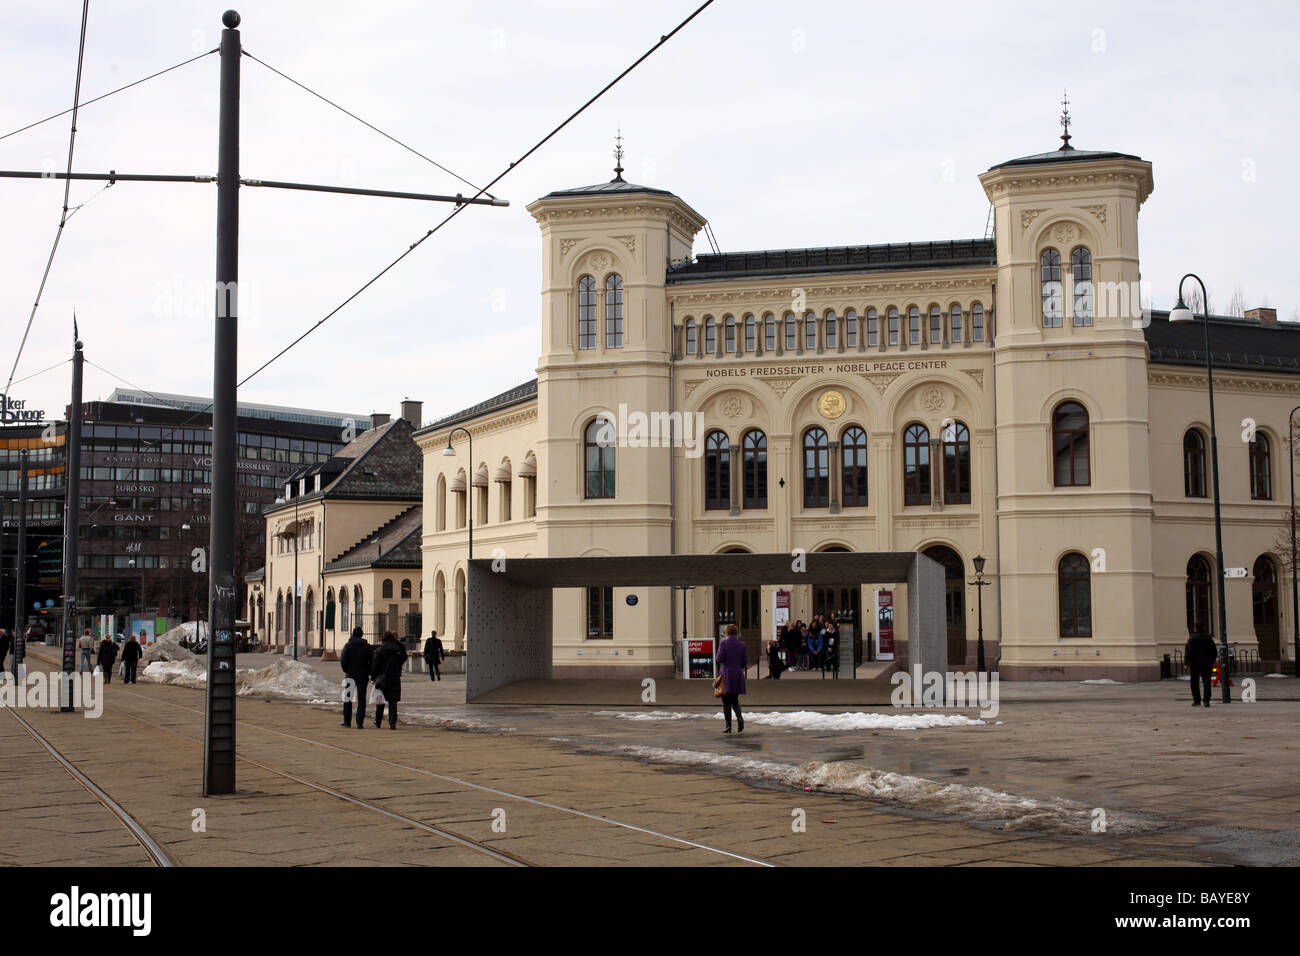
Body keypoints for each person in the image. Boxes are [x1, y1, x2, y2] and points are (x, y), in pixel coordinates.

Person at [370, 631, 408, 729]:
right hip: (394, 677)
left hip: (382, 678)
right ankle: (392, 723)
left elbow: (375, 665)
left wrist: (373, 678)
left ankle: (378, 721)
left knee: (380, 700)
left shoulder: (379, 651)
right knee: (393, 701)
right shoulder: (398, 650)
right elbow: (404, 657)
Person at [716, 623, 748, 733]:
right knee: (734, 699)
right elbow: (745, 662)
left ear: (727, 633)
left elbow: (719, 658)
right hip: (738, 674)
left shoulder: (723, 644)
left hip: (726, 675)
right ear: (736, 632)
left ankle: (728, 726)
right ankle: (739, 718)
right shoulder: (742, 644)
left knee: (726, 701)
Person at [339, 626, 373, 728]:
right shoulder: (367, 647)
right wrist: (369, 671)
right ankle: (359, 722)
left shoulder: (348, 646)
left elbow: (343, 660)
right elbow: (373, 660)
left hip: (350, 675)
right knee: (361, 699)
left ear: (353, 634)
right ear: (362, 635)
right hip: (363, 676)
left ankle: (347, 721)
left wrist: (346, 670)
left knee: (348, 698)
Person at [1185, 630, 1218, 707]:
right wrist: (1212, 661)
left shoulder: (1192, 638)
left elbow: (1188, 651)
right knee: (1207, 682)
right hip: (1206, 663)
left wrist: (1186, 663)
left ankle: (1197, 700)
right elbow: (1214, 651)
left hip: (1195, 663)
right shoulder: (1209, 638)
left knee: (1194, 682)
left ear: (1195, 628)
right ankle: (1206, 700)